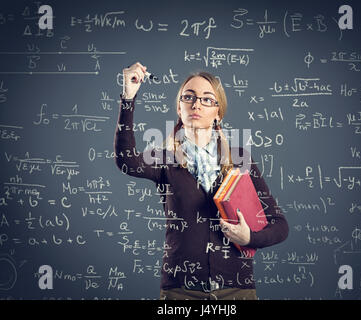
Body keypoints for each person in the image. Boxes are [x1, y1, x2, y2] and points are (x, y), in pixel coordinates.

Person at [114, 62, 289, 300]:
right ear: (179, 107)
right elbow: (127, 162)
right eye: (189, 97)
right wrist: (128, 97)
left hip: (237, 290)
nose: (196, 104)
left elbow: (280, 225)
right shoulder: (165, 159)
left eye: (207, 99)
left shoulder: (239, 159)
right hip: (180, 291)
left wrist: (250, 238)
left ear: (218, 113)